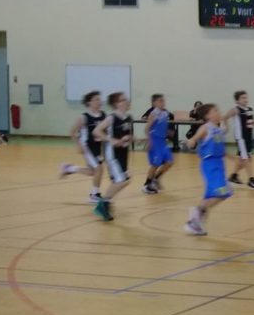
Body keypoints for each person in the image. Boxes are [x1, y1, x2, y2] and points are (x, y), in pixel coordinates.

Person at [184, 103, 234, 236]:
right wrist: (191, 142)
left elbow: (221, 148)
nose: (218, 112)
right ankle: (196, 213)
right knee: (225, 191)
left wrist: (233, 158)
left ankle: (197, 224)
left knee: (212, 195)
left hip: (219, 164)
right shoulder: (205, 127)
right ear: (207, 116)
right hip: (210, 165)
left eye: (218, 110)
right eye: (215, 111)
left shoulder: (217, 129)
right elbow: (193, 139)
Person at [58, 90, 107, 203]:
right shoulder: (84, 117)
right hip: (87, 147)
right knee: (99, 169)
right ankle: (94, 195)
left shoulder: (103, 115)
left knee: (92, 172)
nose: (99, 101)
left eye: (99, 99)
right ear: (89, 102)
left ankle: (69, 168)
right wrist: (78, 145)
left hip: (97, 147)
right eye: (96, 99)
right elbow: (72, 132)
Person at [91, 92, 133, 222]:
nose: (126, 101)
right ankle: (103, 204)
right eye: (123, 99)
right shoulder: (111, 118)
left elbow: (127, 136)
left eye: (126, 99)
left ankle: (105, 202)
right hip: (112, 154)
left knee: (125, 180)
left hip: (123, 153)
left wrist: (132, 139)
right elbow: (96, 131)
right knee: (121, 181)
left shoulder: (128, 117)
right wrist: (111, 140)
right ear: (116, 104)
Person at [229, 90, 254, 190]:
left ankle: (233, 176)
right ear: (237, 100)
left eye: (246, 97)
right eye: (242, 98)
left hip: (248, 137)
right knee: (246, 159)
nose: (245, 99)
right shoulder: (235, 110)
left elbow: (252, 122)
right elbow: (224, 117)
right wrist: (224, 126)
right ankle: (251, 180)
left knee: (245, 160)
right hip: (241, 138)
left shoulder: (250, 109)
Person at [142, 93, 176, 195]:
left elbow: (162, 127)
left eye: (163, 100)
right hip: (155, 141)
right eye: (160, 101)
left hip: (162, 142)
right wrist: (149, 141)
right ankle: (147, 185)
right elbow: (147, 129)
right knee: (155, 164)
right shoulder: (153, 114)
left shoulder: (165, 113)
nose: (163, 102)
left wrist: (168, 132)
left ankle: (156, 178)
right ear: (154, 103)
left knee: (169, 162)